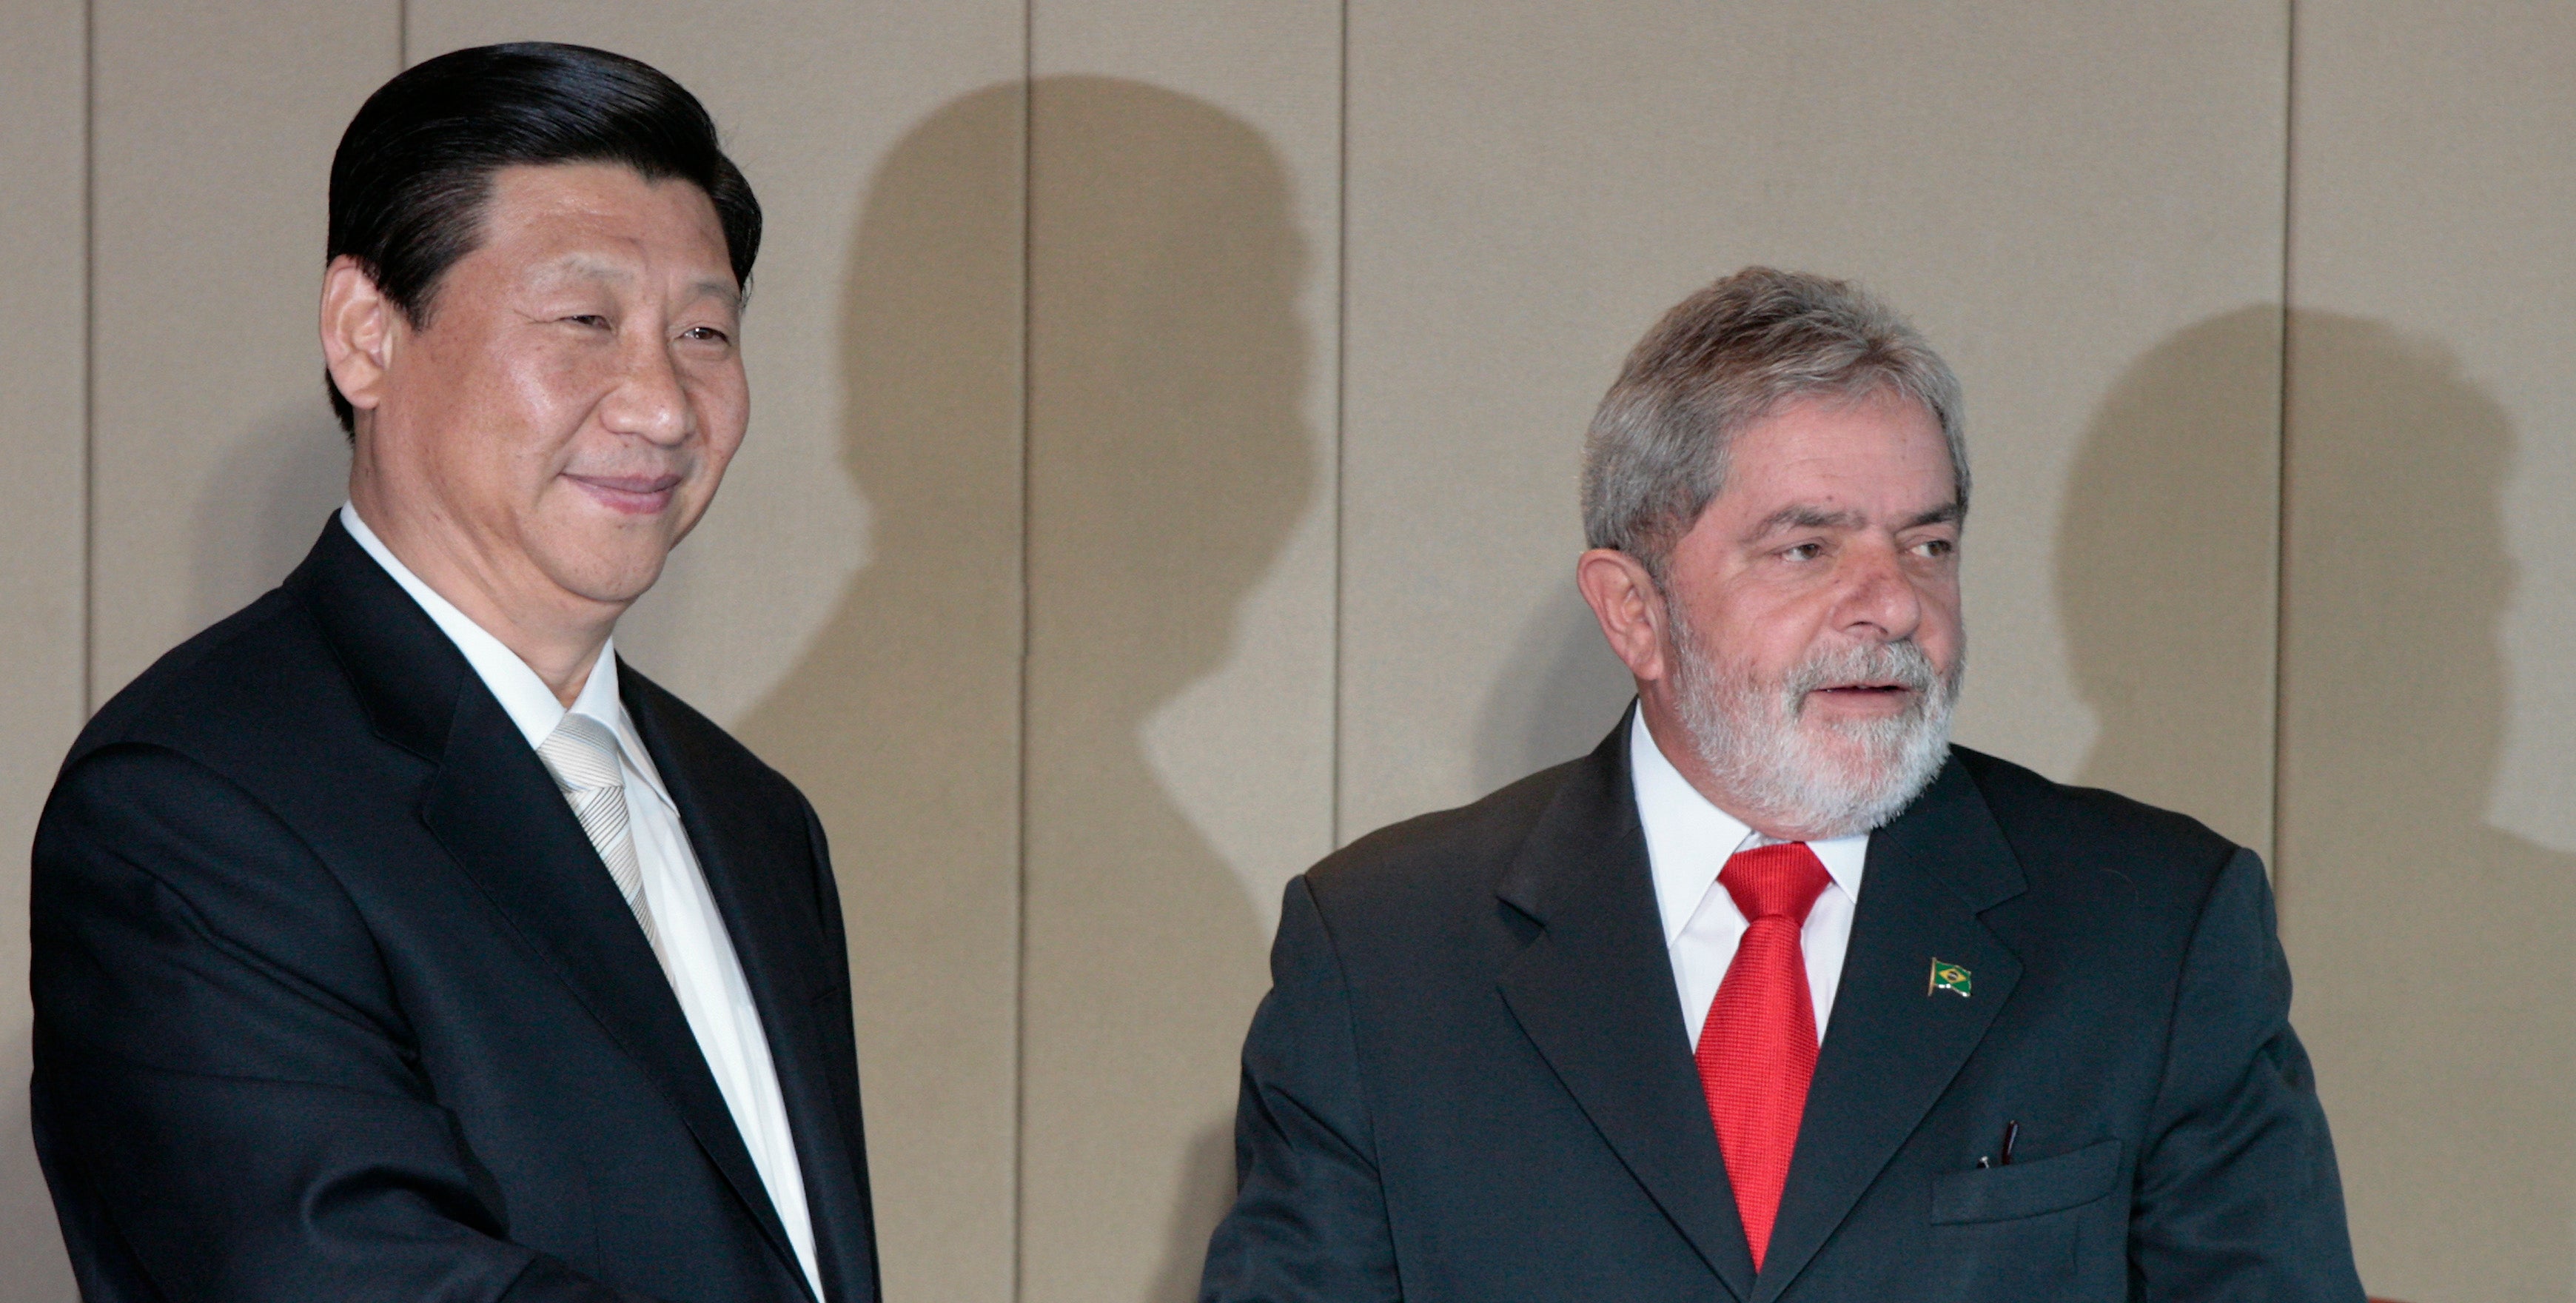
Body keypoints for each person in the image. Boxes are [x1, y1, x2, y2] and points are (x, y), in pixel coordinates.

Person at [1198, 267, 2366, 1300]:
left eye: (1929, 544)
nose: (1896, 603)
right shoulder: (1383, 953)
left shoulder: (2150, 928)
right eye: (1809, 549)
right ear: (1634, 613)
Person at [31, 43, 876, 1302]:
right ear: (365, 335)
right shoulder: (193, 806)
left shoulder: (755, 818)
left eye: (704, 330)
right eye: (585, 322)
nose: (660, 403)